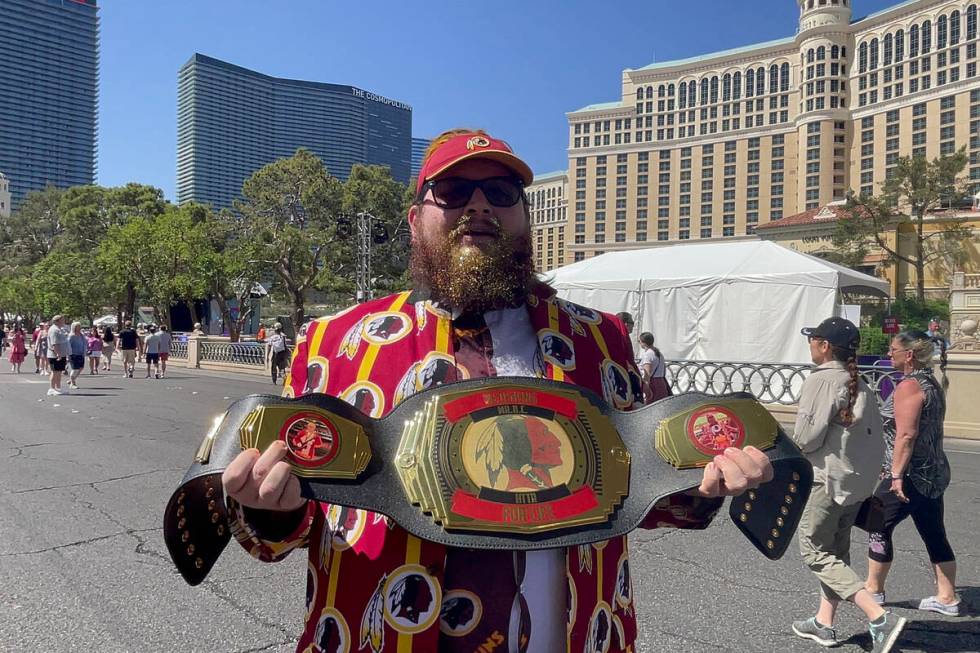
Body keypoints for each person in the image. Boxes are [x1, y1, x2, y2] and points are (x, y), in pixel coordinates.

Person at [220, 129, 772, 652]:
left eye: (502, 192)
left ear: (524, 216)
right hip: (382, 631)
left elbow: (635, 491)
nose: (479, 206)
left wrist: (703, 485)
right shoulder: (333, 343)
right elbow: (283, 531)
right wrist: (271, 508)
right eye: (455, 190)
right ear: (416, 220)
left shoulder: (601, 340)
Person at [789, 318, 905, 652]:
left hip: (826, 478)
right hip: (855, 483)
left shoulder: (822, 379)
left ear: (825, 346)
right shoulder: (861, 382)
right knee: (837, 552)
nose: (810, 344)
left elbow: (807, 438)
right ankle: (824, 621)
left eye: (813, 339)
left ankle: (878, 616)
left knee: (815, 552)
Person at [865, 331, 960, 617]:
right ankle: (947, 597)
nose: (888, 353)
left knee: (877, 524)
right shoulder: (931, 381)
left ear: (908, 355)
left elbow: (906, 435)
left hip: (909, 474)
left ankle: (873, 590)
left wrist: (895, 475)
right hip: (933, 470)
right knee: (933, 531)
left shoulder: (909, 385)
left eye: (892, 349)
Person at [637, 331, 671, 402]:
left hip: (653, 384)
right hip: (661, 383)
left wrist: (646, 387)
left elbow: (647, 373)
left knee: (651, 408)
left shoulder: (648, 354)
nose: (639, 343)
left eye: (639, 341)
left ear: (644, 342)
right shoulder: (659, 353)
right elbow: (663, 370)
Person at [46, 315, 69, 395]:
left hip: (61, 354)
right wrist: (58, 354)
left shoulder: (60, 329)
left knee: (59, 371)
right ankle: (51, 388)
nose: (64, 321)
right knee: (55, 371)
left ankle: (58, 388)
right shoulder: (54, 330)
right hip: (54, 355)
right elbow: (54, 344)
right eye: (62, 320)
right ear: (57, 321)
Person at [67, 321, 87, 390]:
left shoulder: (82, 335)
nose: (79, 328)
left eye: (79, 326)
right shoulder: (71, 336)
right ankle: (73, 383)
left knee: (81, 368)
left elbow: (85, 343)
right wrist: (68, 355)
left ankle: (72, 379)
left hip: (81, 354)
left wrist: (85, 351)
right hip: (73, 354)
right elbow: (68, 345)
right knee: (75, 369)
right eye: (77, 327)